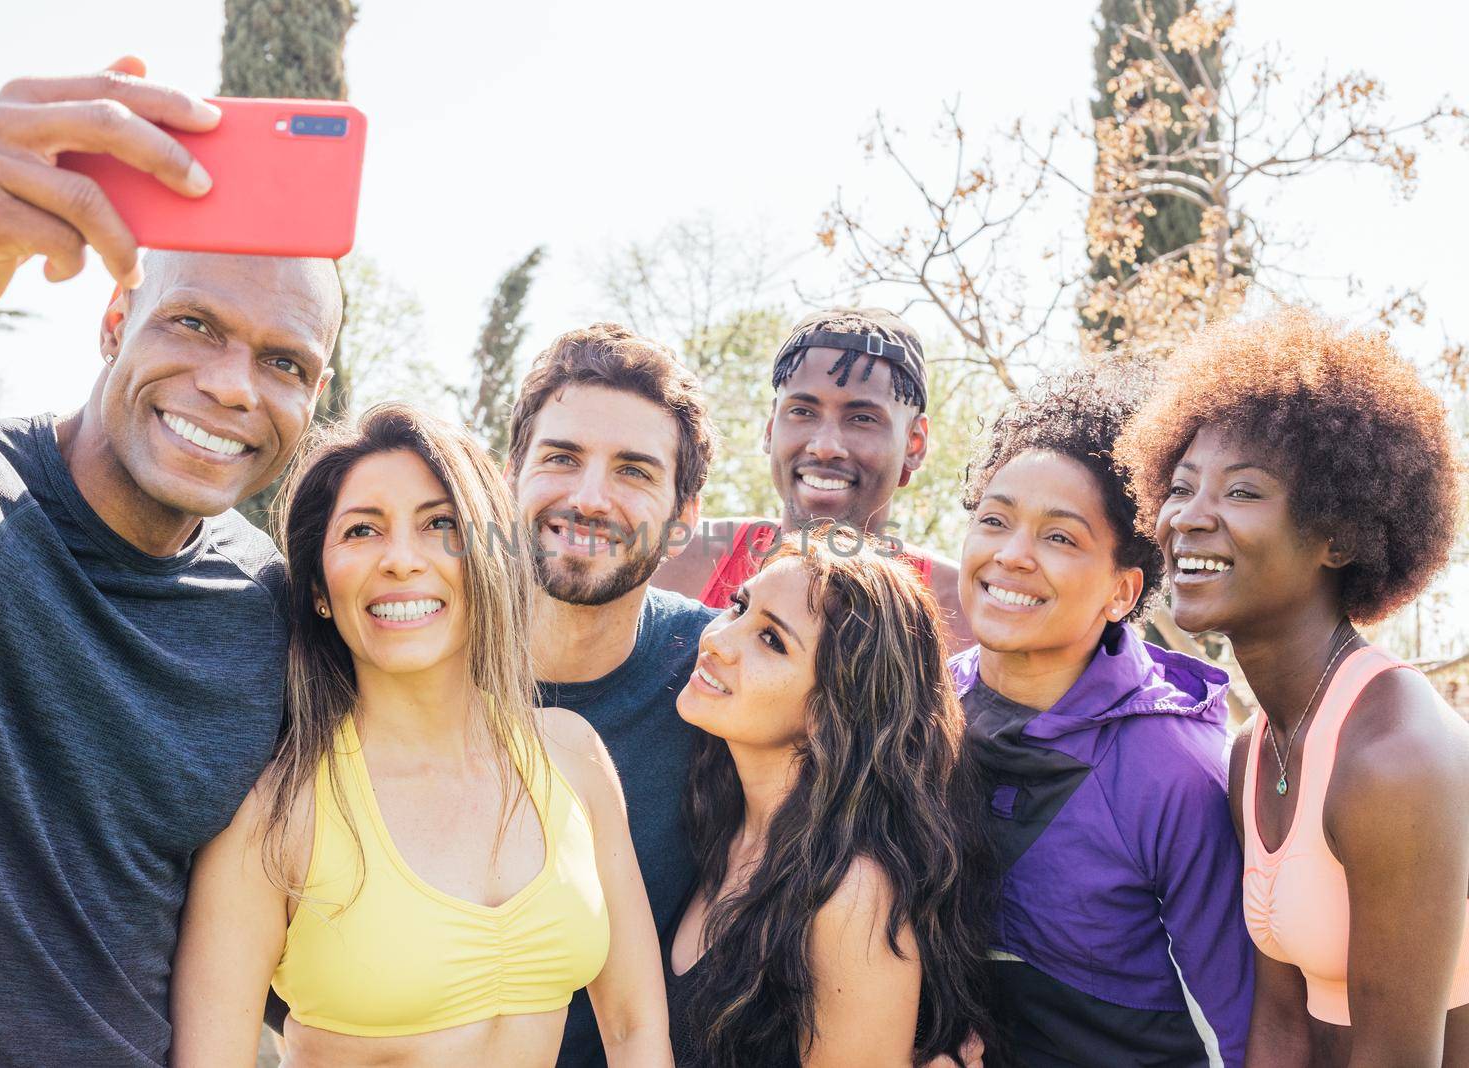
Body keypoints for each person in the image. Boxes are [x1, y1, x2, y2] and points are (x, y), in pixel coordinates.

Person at [0, 59, 344, 1065]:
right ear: (117, 318)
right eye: (193, 322)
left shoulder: (268, 604)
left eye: (283, 362)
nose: (230, 385)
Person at [171, 404, 670, 1066]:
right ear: (319, 586)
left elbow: (636, 1028)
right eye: (361, 531)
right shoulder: (275, 816)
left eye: (440, 524)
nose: (402, 560)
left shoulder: (572, 754)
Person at [1116, 308, 1469, 1067]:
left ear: (1338, 535)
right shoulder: (1253, 752)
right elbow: (1281, 1023)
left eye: (1242, 493)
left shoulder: (1394, 757)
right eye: (1180, 488)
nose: (1190, 518)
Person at [953, 367, 1253, 1066]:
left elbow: (1241, 1027)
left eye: (1060, 538)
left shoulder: (1176, 771)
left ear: (1122, 590)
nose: (1012, 555)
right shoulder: (920, 711)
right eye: (994, 521)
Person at [668, 529, 993, 1068]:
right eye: (738, 606)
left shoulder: (851, 893)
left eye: (771, 640)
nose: (719, 640)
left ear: (833, 709)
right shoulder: (721, 825)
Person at [503, 323, 721, 1067]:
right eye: (561, 458)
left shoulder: (726, 676)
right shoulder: (408, 652)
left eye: (634, 471)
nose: (589, 498)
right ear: (510, 475)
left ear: (683, 518)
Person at [651, 307, 971, 648]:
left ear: (914, 442)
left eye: (862, 418)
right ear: (771, 426)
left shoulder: (961, 616)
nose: (825, 447)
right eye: (802, 412)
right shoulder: (674, 560)